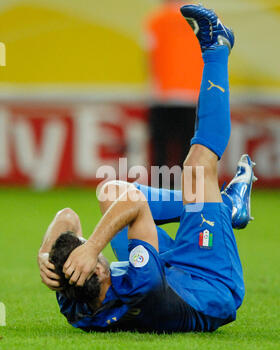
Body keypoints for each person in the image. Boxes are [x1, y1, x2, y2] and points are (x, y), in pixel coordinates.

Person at [38, 4, 257, 333]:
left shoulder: (77, 304)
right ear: (96, 271)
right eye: (95, 259)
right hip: (209, 279)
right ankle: (218, 47)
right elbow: (136, 206)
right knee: (197, 168)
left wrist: (46, 254)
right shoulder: (143, 286)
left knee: (110, 192)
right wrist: (94, 247)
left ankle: (225, 206)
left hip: (171, 272)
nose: (95, 254)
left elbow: (67, 217)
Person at [145, 0, 204, 170]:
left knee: (160, 151)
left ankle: (159, 191)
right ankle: (189, 193)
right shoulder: (205, 19)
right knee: (191, 151)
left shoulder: (156, 20)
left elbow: (150, 56)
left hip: (163, 95)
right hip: (195, 95)